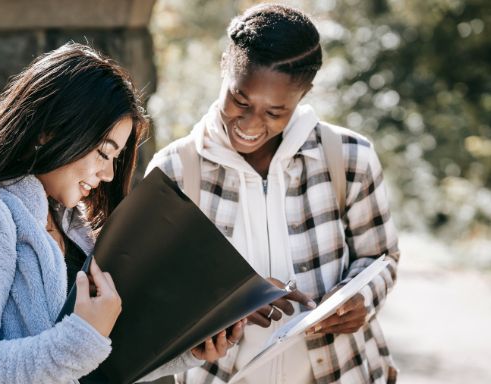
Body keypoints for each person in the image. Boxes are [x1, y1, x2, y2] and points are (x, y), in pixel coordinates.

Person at [0, 43, 241, 384]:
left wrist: (183, 347)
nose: (109, 174)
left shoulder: (71, 226)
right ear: (48, 130)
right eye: (103, 152)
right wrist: (80, 338)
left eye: (115, 158)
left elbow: (92, 365)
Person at [146, 4, 400, 384]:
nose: (249, 124)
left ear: (304, 94)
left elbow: (381, 255)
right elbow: (151, 289)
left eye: (275, 112)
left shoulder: (350, 157)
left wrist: (360, 299)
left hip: (342, 372)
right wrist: (231, 300)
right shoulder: (176, 171)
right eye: (240, 101)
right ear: (224, 67)